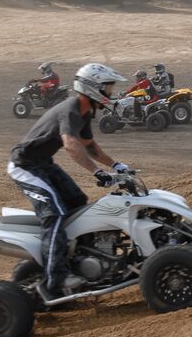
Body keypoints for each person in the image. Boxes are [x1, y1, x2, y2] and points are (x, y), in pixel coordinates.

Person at [7, 63, 131, 298]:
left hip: (43, 163)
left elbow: (90, 146)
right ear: (93, 88)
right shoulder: (72, 107)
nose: (110, 93)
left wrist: (116, 165)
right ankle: (57, 279)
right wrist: (97, 172)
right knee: (53, 215)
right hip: (25, 165)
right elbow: (71, 145)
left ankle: (80, 258)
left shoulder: (84, 113)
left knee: (77, 200)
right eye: (107, 88)